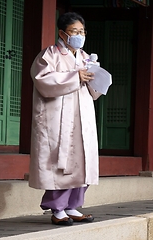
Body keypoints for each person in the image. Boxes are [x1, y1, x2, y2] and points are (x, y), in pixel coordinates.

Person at [30, 12, 101, 226]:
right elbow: (42, 80)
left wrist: (95, 78)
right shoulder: (49, 55)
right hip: (58, 117)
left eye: (82, 31)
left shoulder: (85, 56)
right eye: (74, 31)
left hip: (82, 115)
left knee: (82, 159)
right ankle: (57, 208)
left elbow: (94, 90)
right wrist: (74, 76)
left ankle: (73, 205)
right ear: (62, 33)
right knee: (60, 161)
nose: (79, 35)